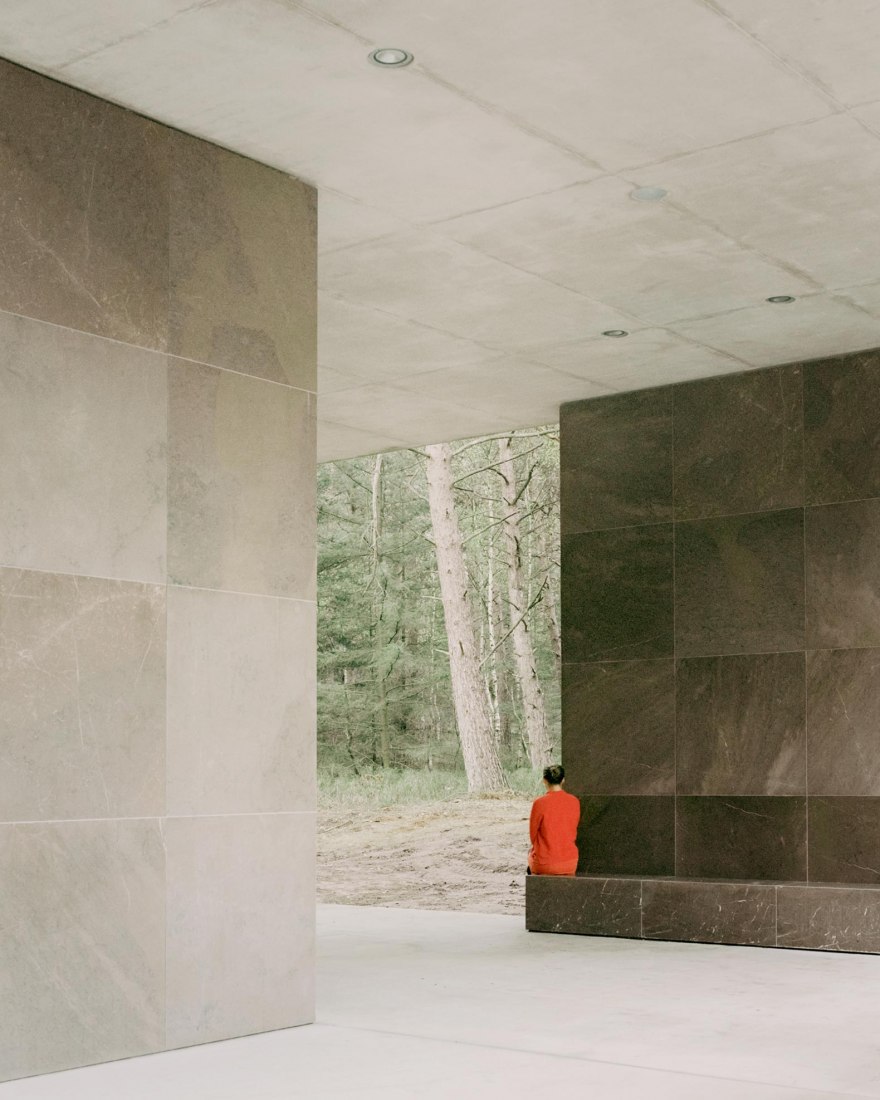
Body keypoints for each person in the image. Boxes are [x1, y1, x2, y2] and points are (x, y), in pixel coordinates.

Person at [527, 764, 580, 876]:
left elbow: (533, 836)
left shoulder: (539, 803)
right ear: (563, 780)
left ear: (544, 781)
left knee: (530, 855)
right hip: (569, 863)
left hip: (544, 863)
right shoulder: (574, 801)